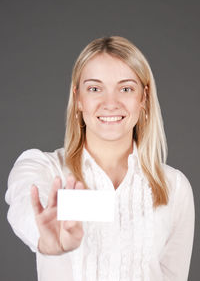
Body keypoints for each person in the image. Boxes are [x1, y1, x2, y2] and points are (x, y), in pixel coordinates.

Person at [5, 36, 195, 281]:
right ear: (78, 99)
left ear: (143, 98)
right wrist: (45, 238)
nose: (110, 103)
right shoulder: (42, 168)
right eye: (95, 89)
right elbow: (24, 202)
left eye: (126, 89)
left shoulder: (175, 187)